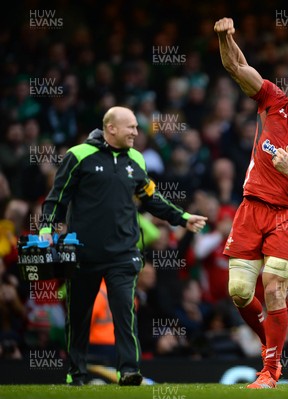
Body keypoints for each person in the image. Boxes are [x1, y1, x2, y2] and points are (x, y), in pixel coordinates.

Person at [38, 106, 207, 386]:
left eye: (136, 128)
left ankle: (128, 371)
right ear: (111, 128)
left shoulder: (136, 159)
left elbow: (152, 198)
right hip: (83, 253)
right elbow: (57, 198)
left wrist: (183, 217)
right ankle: (76, 373)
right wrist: (45, 228)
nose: (136, 132)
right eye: (130, 127)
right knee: (78, 317)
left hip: (123, 254)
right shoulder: (78, 155)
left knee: (125, 312)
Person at [214, 17, 288, 389]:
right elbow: (236, 66)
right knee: (238, 292)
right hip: (251, 207)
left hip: (287, 215)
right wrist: (225, 37)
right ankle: (270, 344)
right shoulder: (271, 100)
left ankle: (270, 370)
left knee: (274, 287)